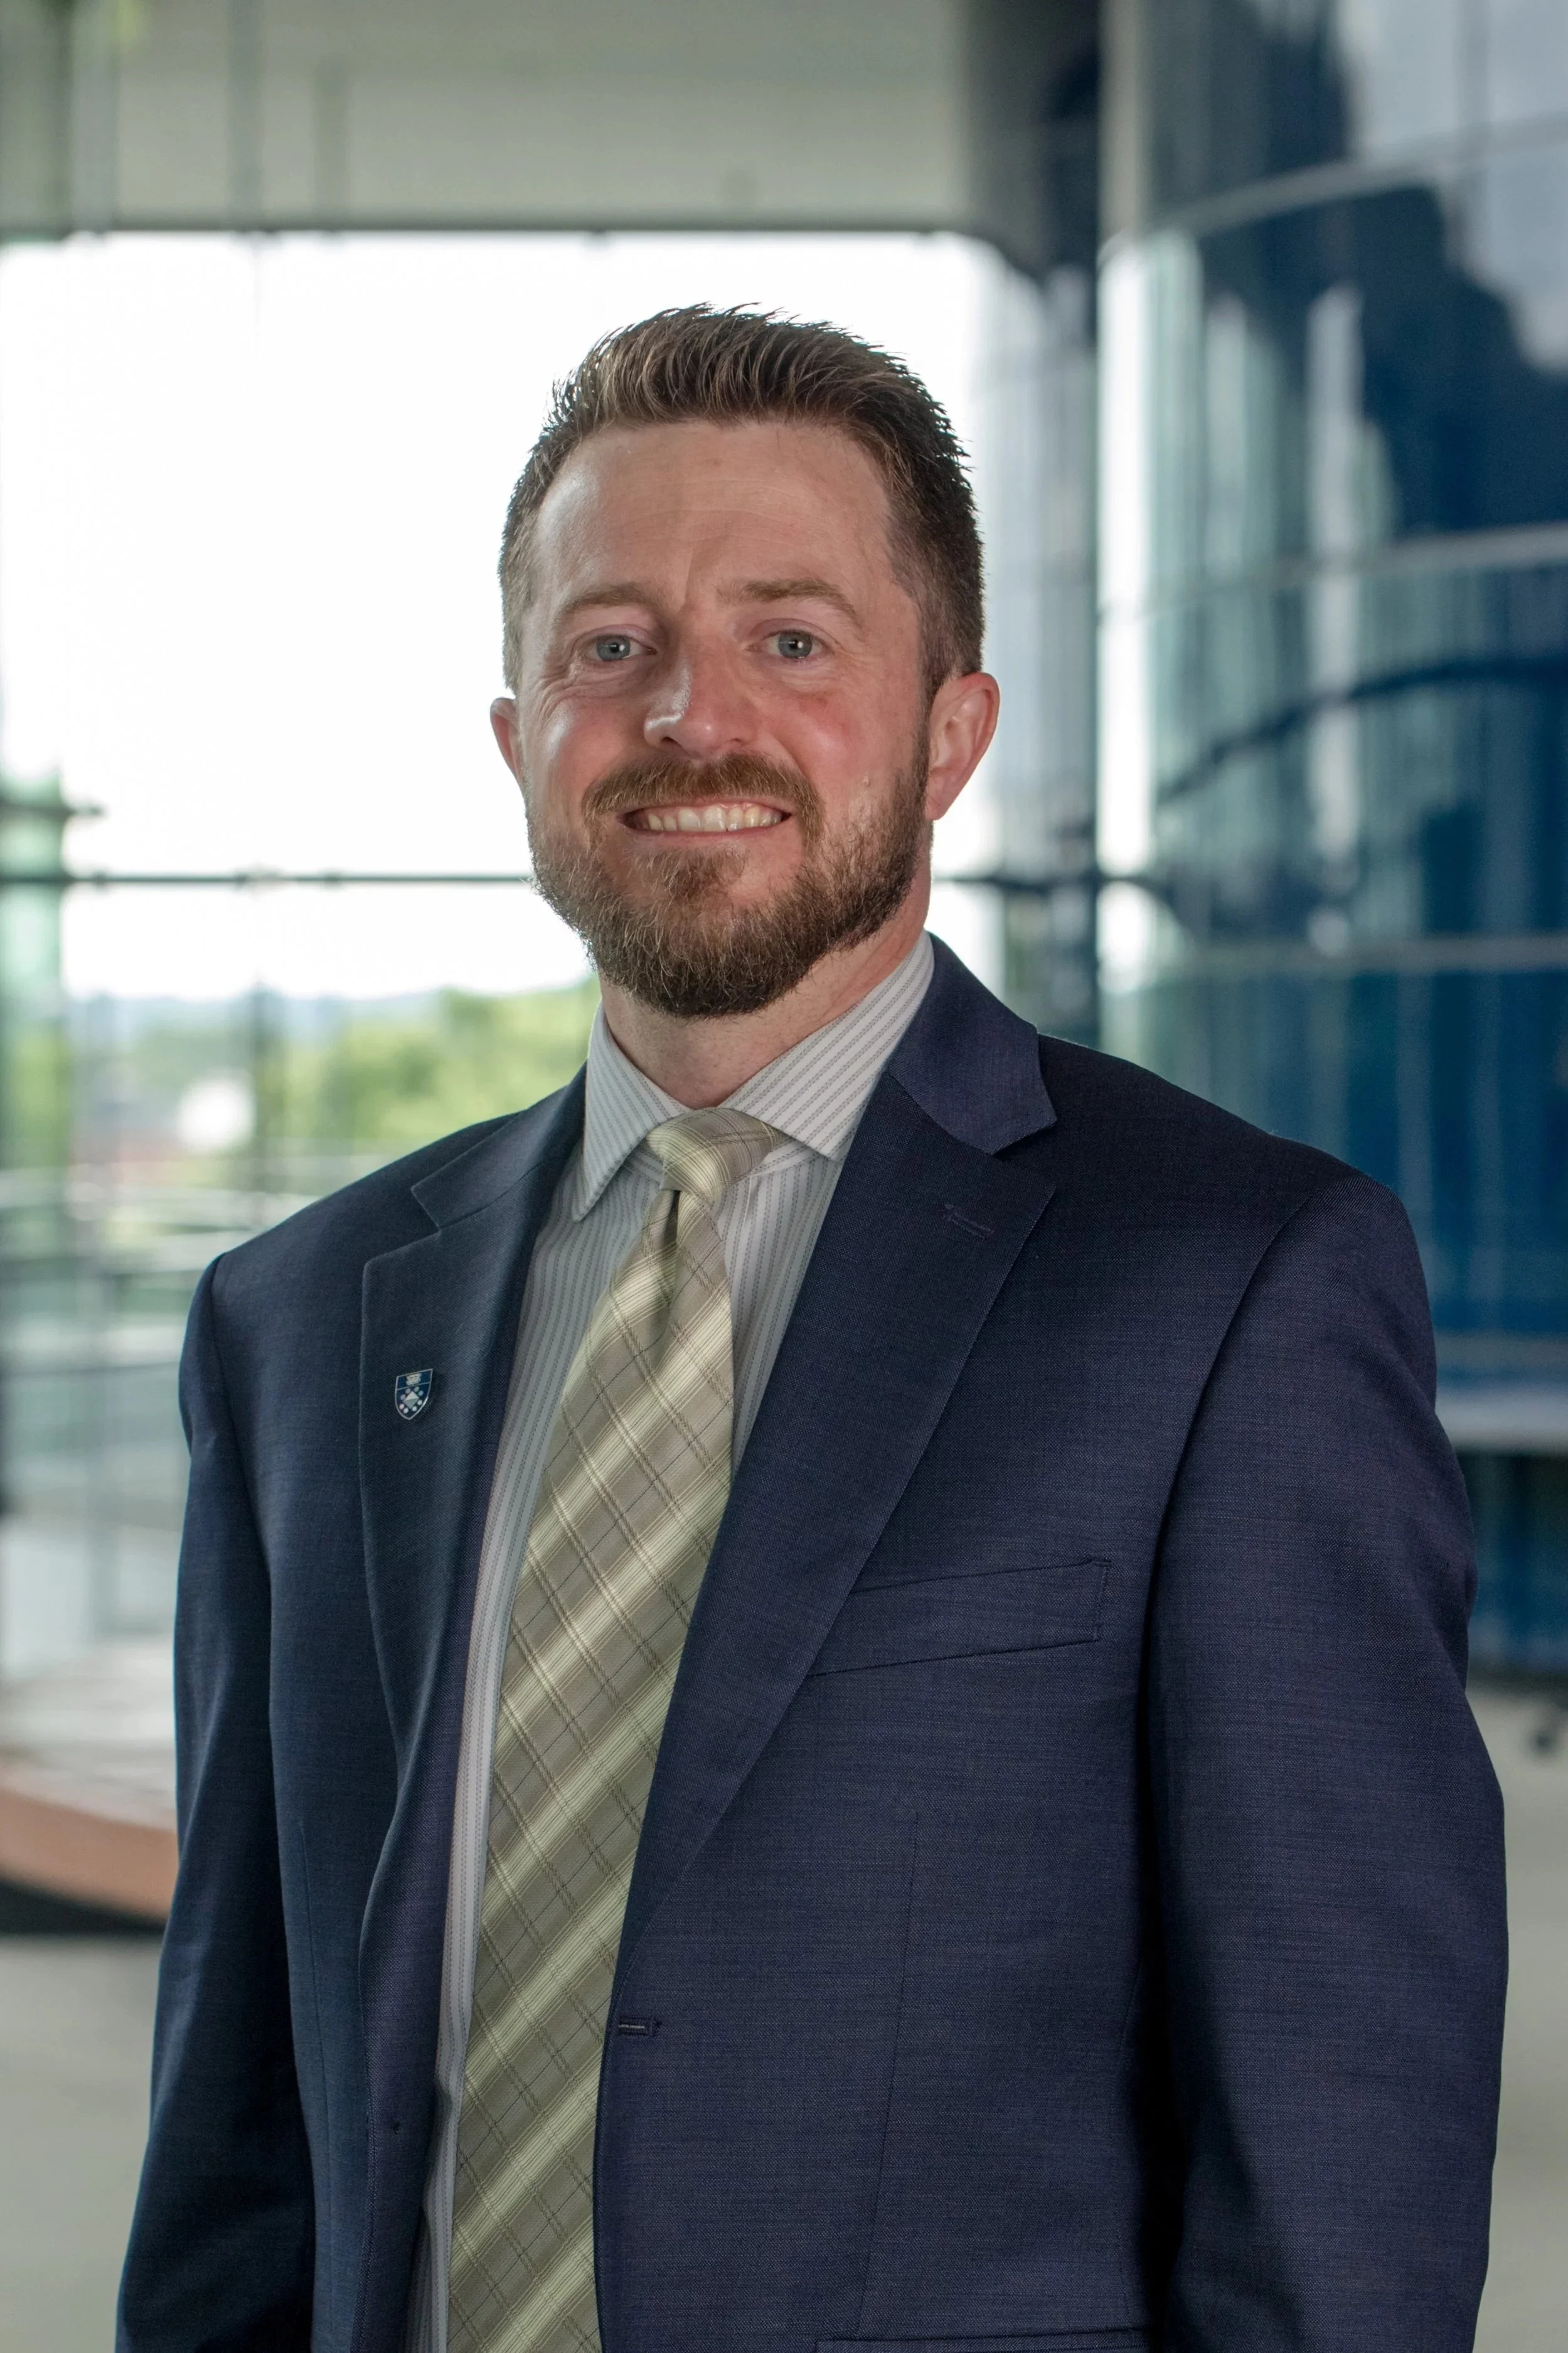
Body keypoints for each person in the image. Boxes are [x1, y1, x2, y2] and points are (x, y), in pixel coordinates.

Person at [119, 306, 1506, 2353]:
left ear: (951, 727)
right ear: (518, 733)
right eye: (610, 645)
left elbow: (1340, 2157)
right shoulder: (297, 1325)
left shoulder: (1229, 1286)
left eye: (792, 638)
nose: (691, 716)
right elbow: (240, 2135)